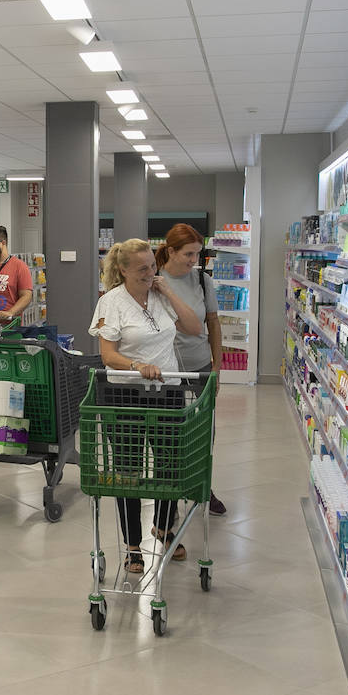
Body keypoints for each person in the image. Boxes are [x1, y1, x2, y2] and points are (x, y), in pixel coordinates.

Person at [90, 239, 204, 573]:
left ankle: (164, 528)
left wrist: (167, 291)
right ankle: (132, 546)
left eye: (153, 265)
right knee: (129, 472)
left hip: (167, 392)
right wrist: (137, 366)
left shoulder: (160, 295)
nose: (150, 272)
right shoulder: (111, 302)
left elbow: (194, 328)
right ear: (123, 270)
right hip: (125, 396)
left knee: (170, 465)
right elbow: (108, 355)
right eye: (142, 268)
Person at [155, 223, 228, 517]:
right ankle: (168, 497)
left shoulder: (201, 280)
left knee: (203, 432)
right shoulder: (155, 280)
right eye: (188, 254)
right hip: (165, 370)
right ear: (171, 251)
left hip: (199, 366)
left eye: (197, 254)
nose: (194, 260)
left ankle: (201, 485)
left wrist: (216, 367)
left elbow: (213, 323)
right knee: (167, 435)